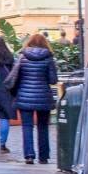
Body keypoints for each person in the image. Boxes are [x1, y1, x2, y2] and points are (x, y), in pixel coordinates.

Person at [10, 32, 61, 164]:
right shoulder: (48, 58)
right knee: (43, 126)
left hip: (24, 96)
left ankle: (29, 155)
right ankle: (43, 157)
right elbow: (53, 79)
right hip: (43, 97)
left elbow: (16, 77)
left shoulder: (22, 57)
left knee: (27, 126)